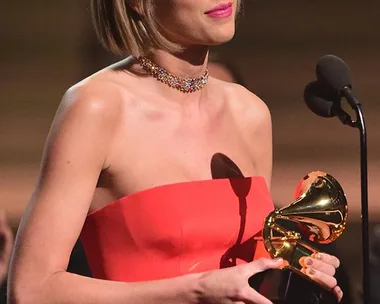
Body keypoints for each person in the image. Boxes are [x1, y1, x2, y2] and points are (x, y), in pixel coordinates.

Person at [8, 1, 343, 303]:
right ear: (138, 4)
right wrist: (194, 291)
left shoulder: (250, 112)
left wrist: (296, 264)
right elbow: (31, 289)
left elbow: (246, 268)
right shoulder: (97, 106)